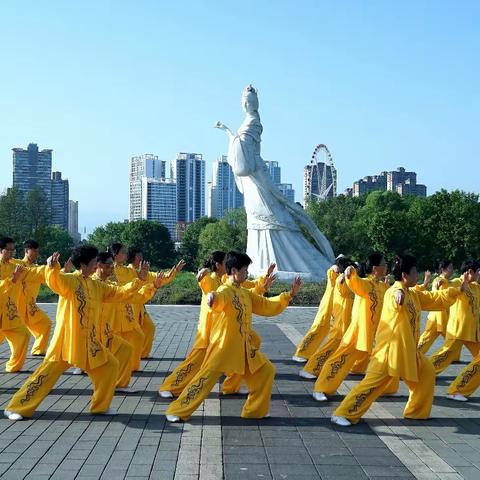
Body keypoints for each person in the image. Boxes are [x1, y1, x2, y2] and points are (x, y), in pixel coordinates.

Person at [4, 245, 162, 421]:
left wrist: (140, 282)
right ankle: (17, 406)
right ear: (85, 264)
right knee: (44, 376)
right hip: (67, 342)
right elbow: (54, 280)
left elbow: (121, 293)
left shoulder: (96, 285)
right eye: (95, 262)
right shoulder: (70, 281)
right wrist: (52, 267)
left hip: (91, 343)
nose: (97, 265)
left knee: (110, 366)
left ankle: (100, 407)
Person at [165, 252, 301, 422]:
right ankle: (178, 410)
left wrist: (289, 295)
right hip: (224, 347)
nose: (246, 274)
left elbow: (266, 305)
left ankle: (254, 411)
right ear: (234, 270)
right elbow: (217, 299)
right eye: (245, 270)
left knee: (266, 370)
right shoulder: (225, 290)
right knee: (204, 380)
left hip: (244, 348)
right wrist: (212, 299)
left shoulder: (244, 293)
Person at [331, 254, 464, 427]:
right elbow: (395, 298)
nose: (417, 275)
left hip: (408, 351)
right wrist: (398, 296)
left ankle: (416, 412)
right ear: (405, 276)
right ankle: (343, 413)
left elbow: (435, 299)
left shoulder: (413, 293)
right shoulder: (395, 291)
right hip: (390, 351)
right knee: (372, 385)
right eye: (415, 272)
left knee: (426, 373)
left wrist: (457, 289)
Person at [159, 251, 275, 398]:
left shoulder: (227, 278)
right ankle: (169, 386)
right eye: (225, 261)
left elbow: (249, 287)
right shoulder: (211, 279)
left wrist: (264, 279)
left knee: (252, 342)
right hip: (209, 331)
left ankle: (231, 386)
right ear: (218, 265)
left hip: (227, 331)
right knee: (194, 363)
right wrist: (202, 275)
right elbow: (204, 284)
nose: (228, 264)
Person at [311, 253, 389, 401]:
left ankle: (386, 388)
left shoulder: (382, 287)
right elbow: (354, 282)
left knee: (385, 359)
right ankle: (320, 388)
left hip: (373, 333)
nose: (386, 266)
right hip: (358, 331)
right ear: (375, 268)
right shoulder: (366, 283)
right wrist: (350, 272)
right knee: (340, 359)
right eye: (384, 264)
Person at [93, 251, 164, 393]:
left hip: (105, 331)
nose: (112, 269)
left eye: (112, 266)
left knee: (125, 350)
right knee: (57, 362)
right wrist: (54, 269)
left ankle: (118, 386)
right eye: (109, 266)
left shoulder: (109, 284)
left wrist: (152, 286)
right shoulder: (91, 282)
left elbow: (129, 295)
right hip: (89, 333)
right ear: (98, 265)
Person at [299, 257, 354, 379]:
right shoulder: (341, 279)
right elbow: (333, 274)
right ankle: (309, 369)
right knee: (328, 348)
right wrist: (340, 271)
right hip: (340, 324)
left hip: (346, 324)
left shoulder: (347, 281)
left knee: (335, 350)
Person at [126, 246, 185, 358]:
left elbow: (161, 277)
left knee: (149, 328)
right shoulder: (126, 271)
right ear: (132, 257)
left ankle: (142, 354)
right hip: (128, 308)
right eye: (139, 256)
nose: (141, 259)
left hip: (140, 308)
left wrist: (175, 271)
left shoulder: (146, 273)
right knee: (132, 334)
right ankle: (131, 356)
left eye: (141, 256)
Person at [430, 259, 480, 374]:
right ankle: (422, 372)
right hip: (458, 330)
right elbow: (445, 282)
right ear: (470, 272)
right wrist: (438, 280)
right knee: (443, 357)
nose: (479, 274)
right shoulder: (458, 282)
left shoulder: (475, 286)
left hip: (472, 332)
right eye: (478, 271)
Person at [292, 261, 340, 363]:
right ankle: (300, 353)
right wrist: (336, 267)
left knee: (327, 332)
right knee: (317, 328)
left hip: (336, 307)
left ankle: (310, 353)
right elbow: (332, 269)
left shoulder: (342, 277)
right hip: (327, 306)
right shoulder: (333, 273)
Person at [11, 240, 52, 355]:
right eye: (34, 251)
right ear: (26, 251)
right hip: (16, 305)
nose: (36, 253)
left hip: (30, 306)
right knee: (6, 331)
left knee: (45, 324)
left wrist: (65, 270)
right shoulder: (17, 264)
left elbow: (51, 278)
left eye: (37, 251)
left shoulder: (36, 269)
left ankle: (38, 350)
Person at [0, 237, 30, 372]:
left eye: (13, 250)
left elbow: (33, 273)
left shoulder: (15, 268)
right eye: (9, 250)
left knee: (23, 335)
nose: (12, 253)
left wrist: (53, 270)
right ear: (1, 250)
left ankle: (13, 367)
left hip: (10, 313)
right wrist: (12, 279)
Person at [417, 260, 458, 354]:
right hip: (439, 316)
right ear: (444, 269)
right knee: (452, 339)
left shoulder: (449, 281)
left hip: (439, 316)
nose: (452, 270)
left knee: (427, 337)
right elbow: (434, 294)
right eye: (451, 268)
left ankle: (415, 353)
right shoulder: (438, 280)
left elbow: (457, 283)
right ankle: (416, 354)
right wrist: (437, 285)